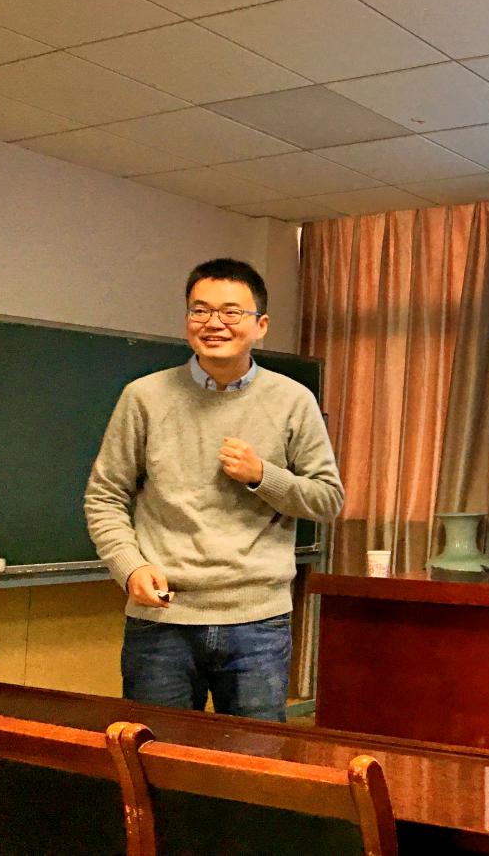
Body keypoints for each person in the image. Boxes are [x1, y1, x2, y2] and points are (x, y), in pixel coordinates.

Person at [85, 258, 344, 721]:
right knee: (157, 753)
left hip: (257, 623)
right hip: (162, 619)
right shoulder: (143, 396)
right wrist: (129, 566)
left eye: (231, 312)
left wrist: (263, 475)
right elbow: (105, 496)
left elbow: (327, 499)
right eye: (200, 310)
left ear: (260, 325)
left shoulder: (292, 400)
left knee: (252, 757)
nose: (214, 323)